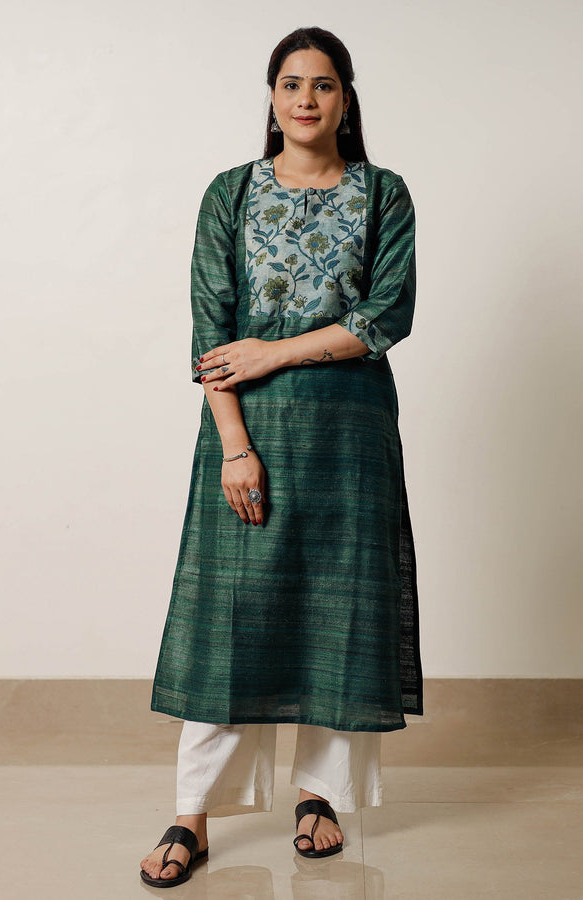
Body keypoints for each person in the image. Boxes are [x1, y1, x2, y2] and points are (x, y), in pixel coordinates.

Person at [140, 26, 422, 888]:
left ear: (346, 99)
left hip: (349, 436)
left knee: (339, 616)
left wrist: (275, 352)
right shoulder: (230, 193)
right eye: (292, 83)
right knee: (227, 618)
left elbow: (386, 316)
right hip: (248, 434)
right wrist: (234, 446)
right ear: (272, 97)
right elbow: (211, 330)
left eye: (324, 84)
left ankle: (319, 797)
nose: (307, 99)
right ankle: (192, 815)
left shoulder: (383, 194)